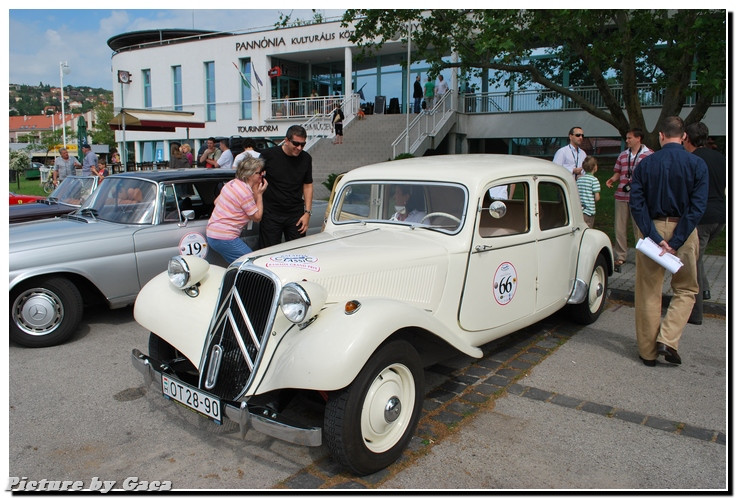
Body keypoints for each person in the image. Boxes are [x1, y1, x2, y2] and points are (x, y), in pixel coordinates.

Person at [629, 116, 708, 367]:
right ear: (683, 136)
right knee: (686, 289)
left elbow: (637, 203)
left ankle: (648, 352)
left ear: (661, 136)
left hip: (652, 227)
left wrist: (652, 235)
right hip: (683, 229)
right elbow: (697, 207)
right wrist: (677, 238)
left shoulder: (645, 164)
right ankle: (668, 338)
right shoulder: (697, 164)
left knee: (649, 292)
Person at [683, 122, 726, 325]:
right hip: (720, 217)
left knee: (694, 264)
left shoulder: (691, 160)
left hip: (702, 218)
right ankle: (706, 290)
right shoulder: (720, 158)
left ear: (687, 139)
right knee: (699, 257)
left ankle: (695, 312)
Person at [605, 128, 653, 272]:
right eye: (626, 138)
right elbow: (618, 172)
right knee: (620, 226)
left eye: (629, 138)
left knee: (639, 227)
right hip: (621, 195)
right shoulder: (623, 155)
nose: (627, 140)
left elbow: (651, 176)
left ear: (638, 138)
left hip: (639, 197)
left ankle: (642, 255)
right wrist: (612, 179)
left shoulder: (649, 155)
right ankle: (621, 255)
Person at [258, 125, 314, 248]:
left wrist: (307, 213)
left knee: (298, 253)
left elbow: (308, 185)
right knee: (268, 253)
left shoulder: (306, 158)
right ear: (286, 140)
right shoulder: (268, 155)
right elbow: (254, 178)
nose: (299, 148)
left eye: (302, 144)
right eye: (296, 143)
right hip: (271, 214)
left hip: (296, 215)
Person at [206, 156, 268, 264]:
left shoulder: (232, 184)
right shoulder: (245, 193)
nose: (262, 174)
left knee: (237, 266)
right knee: (250, 264)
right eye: (259, 172)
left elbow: (216, 202)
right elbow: (257, 217)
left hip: (212, 233)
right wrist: (259, 195)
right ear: (249, 174)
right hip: (226, 237)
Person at [576, 156, 601, 229]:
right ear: (595, 168)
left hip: (580, 210)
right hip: (589, 211)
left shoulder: (579, 179)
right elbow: (597, 198)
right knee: (588, 230)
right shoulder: (594, 180)